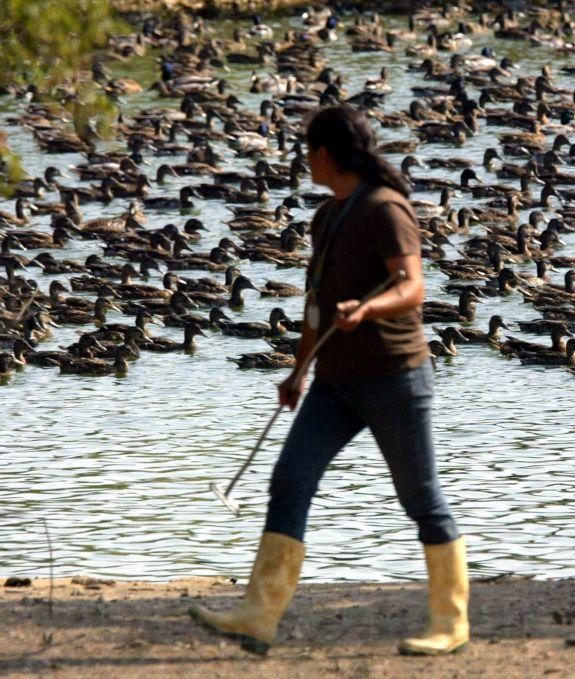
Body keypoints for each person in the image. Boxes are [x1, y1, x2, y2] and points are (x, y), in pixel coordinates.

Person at [189, 106, 468, 657]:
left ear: (322, 154)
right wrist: (297, 371)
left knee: (421, 499)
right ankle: (258, 616)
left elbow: (413, 289)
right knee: (290, 480)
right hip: (334, 384)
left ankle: (450, 623)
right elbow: (315, 307)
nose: (304, 160)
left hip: (394, 379)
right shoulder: (327, 216)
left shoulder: (386, 209)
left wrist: (368, 311)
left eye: (306, 151)